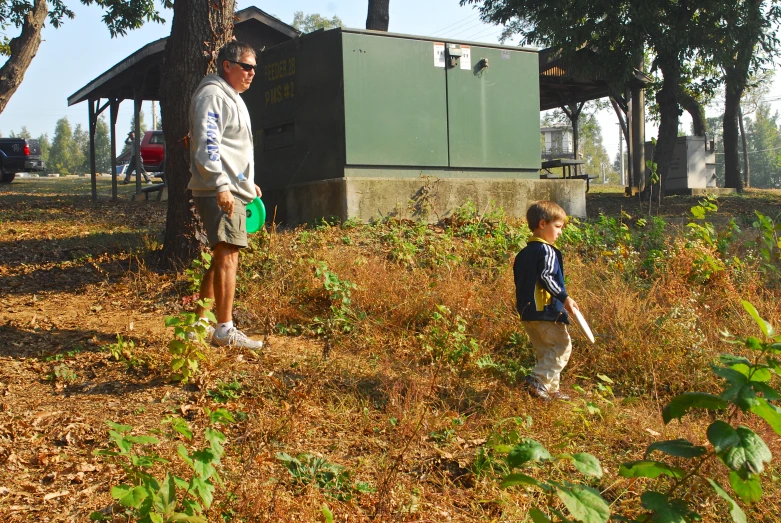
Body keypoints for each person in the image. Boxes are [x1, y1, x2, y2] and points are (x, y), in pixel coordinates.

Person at [187, 40, 263, 350]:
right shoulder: (212, 96)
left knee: (221, 257)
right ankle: (224, 329)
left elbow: (233, 150)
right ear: (227, 66)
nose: (251, 73)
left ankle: (197, 325)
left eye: (254, 68)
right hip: (220, 191)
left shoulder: (231, 97)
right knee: (228, 257)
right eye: (246, 66)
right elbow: (208, 145)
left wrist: (247, 181)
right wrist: (221, 184)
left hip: (233, 188)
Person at [513, 201, 579, 401]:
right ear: (542, 224)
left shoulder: (522, 254)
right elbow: (547, 276)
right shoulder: (547, 250)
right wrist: (564, 297)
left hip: (527, 313)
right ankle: (537, 380)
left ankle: (551, 390)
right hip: (546, 310)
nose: (560, 232)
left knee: (546, 352)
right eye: (558, 227)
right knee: (561, 347)